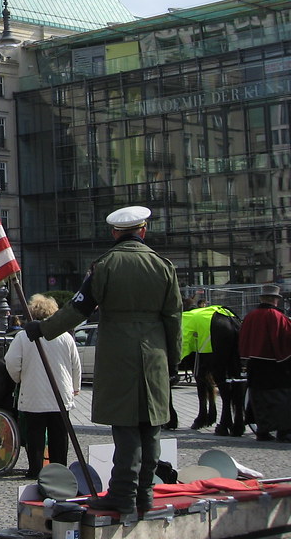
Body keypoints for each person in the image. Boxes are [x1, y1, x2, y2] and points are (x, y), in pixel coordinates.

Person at [24, 206, 181, 516]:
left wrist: (43, 329)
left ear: (114, 233)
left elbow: (78, 308)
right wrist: (173, 362)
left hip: (119, 355)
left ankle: (123, 494)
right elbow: (174, 318)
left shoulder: (105, 265)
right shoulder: (164, 266)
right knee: (151, 426)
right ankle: (145, 494)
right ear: (143, 231)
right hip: (155, 355)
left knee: (125, 428)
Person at [5, 295, 81, 478]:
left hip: (34, 393)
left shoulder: (23, 337)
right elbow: (75, 364)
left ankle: (35, 470)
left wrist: (19, 378)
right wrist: (75, 387)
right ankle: (59, 470)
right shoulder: (65, 337)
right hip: (60, 393)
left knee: (35, 435)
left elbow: (12, 362)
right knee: (59, 435)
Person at [238, 284, 291, 441]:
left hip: (254, 363)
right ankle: (283, 430)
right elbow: (286, 339)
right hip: (275, 364)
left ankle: (262, 430)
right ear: (275, 300)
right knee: (281, 397)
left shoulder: (250, 316)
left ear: (262, 299)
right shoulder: (278, 317)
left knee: (258, 396)